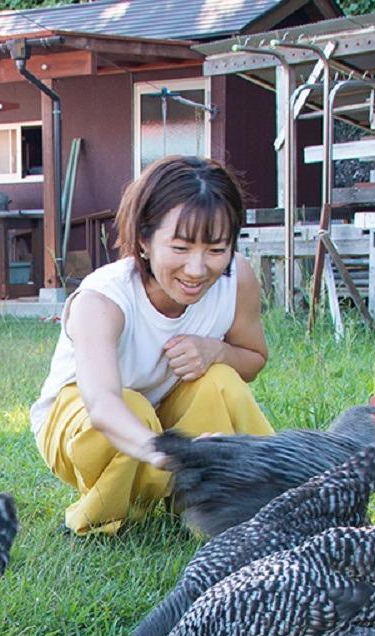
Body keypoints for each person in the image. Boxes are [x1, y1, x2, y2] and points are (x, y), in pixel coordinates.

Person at [30, 155, 274, 535]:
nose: (197, 269)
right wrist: (171, 452)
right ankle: (102, 516)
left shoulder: (237, 278)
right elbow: (103, 405)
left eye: (215, 249)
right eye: (180, 248)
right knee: (133, 406)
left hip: (164, 416)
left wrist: (217, 351)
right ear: (144, 240)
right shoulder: (103, 299)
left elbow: (254, 358)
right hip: (83, 424)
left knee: (221, 381)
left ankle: (240, 502)